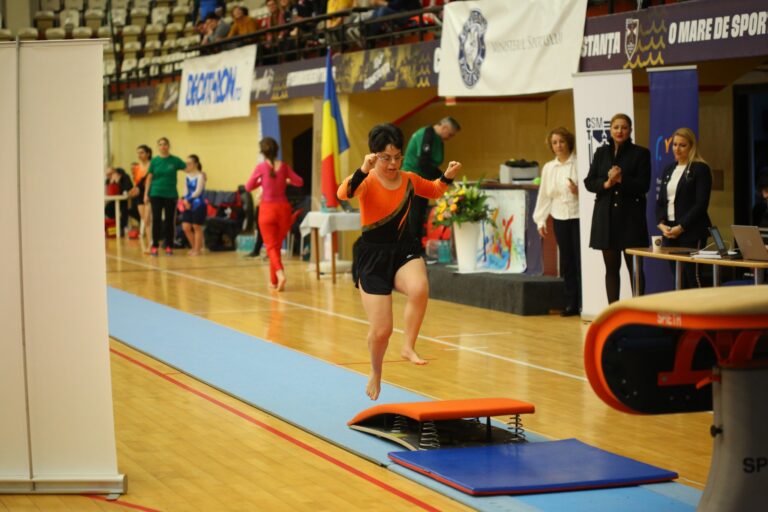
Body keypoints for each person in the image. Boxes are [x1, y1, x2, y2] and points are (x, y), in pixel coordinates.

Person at [337, 123, 461, 401]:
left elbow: (435, 190)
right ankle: (376, 371)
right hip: (373, 256)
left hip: (403, 250)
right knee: (382, 331)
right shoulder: (367, 181)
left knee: (419, 288)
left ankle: (408, 347)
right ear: (374, 156)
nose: (393, 164)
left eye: (397, 157)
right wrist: (362, 169)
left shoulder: (408, 179)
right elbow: (342, 194)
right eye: (385, 158)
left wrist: (448, 176)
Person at [584, 113, 651, 303]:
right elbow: (590, 182)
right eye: (616, 127)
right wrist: (606, 183)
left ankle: (639, 310)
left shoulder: (641, 153)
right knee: (611, 269)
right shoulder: (601, 152)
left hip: (631, 219)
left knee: (635, 269)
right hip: (606, 218)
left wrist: (621, 179)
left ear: (630, 130)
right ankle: (613, 312)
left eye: (624, 127)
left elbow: (643, 185)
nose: (619, 131)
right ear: (610, 130)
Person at [532, 127, 581, 316]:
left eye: (561, 141)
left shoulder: (578, 163)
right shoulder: (548, 168)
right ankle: (571, 303)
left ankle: (586, 302)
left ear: (569, 142)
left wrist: (578, 191)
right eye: (554, 142)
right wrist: (540, 220)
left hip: (578, 216)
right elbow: (544, 195)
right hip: (559, 217)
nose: (558, 145)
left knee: (580, 261)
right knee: (567, 262)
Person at [655, 128, 712, 289]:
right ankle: (683, 314)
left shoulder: (700, 169)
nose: (677, 149)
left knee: (693, 277)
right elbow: (661, 202)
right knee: (678, 278)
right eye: (674, 144)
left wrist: (681, 227)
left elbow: (701, 204)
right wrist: (661, 223)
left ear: (691, 147)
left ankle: (701, 314)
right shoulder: (668, 169)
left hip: (692, 231)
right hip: (670, 232)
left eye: (682, 145)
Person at [245, 137, 304, 291]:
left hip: (267, 210)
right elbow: (300, 182)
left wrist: (261, 181)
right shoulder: (284, 167)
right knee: (276, 246)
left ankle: (280, 273)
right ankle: (274, 281)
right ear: (277, 150)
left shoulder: (261, 167)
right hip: (283, 209)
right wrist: (287, 180)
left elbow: (248, 186)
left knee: (270, 246)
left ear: (262, 152)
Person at [403, 116, 461, 249]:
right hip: (413, 180)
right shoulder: (427, 134)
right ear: (444, 127)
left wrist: (445, 177)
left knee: (420, 215)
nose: (450, 137)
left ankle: (417, 247)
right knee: (414, 215)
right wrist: (444, 178)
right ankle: (412, 249)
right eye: (450, 134)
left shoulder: (438, 140)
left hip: (424, 181)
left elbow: (432, 166)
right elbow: (424, 163)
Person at [144, 137, 186, 256]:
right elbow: (149, 178)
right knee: (156, 220)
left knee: (169, 221)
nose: (163, 146)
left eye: (165, 144)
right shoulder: (155, 161)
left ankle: (169, 246)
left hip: (171, 195)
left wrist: (200, 173)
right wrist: (146, 194)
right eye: (160, 144)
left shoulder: (175, 160)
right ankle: (155, 246)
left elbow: (188, 168)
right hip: (156, 193)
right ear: (158, 147)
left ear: (168, 146)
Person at [181, 155, 207, 257]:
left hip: (198, 204)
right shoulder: (187, 176)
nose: (187, 165)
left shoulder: (200, 176)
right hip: (188, 203)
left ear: (195, 164)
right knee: (186, 227)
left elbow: (198, 191)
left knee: (196, 226)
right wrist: (184, 200)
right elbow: (185, 190)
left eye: (189, 163)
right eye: (186, 163)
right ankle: (194, 247)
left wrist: (188, 200)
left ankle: (197, 249)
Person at [128, 144, 153, 249]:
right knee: (144, 219)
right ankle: (150, 242)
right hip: (139, 195)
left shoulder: (152, 165)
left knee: (148, 219)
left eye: (142, 152)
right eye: (138, 153)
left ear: (147, 153)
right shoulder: (137, 168)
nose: (139, 155)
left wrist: (145, 193)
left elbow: (150, 181)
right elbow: (137, 182)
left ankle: (152, 243)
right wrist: (134, 190)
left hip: (149, 193)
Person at [105, 166, 133, 234]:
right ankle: (117, 223)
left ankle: (122, 227)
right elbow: (109, 193)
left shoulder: (125, 177)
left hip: (126, 200)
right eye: (107, 175)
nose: (109, 176)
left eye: (110, 174)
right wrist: (112, 183)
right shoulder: (108, 180)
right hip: (115, 200)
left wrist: (118, 183)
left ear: (114, 172)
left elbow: (128, 188)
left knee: (124, 208)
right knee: (107, 209)